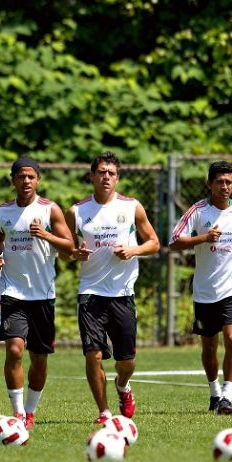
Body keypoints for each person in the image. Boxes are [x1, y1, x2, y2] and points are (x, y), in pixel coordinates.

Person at [64, 151, 160, 424]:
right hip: (90, 292)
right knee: (93, 354)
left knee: (127, 360)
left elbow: (154, 243)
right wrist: (75, 253)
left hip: (122, 293)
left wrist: (132, 250)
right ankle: (104, 411)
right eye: (101, 172)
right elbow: (64, 251)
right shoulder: (77, 211)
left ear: (117, 178)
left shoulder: (131, 207)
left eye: (111, 173)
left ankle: (122, 385)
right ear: (92, 176)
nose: (106, 177)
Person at [0, 156, 74, 430]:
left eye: (31, 177)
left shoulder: (51, 210)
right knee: (14, 350)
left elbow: (70, 246)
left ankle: (30, 410)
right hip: (12, 292)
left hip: (43, 294)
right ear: (13, 179)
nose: (26, 181)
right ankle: (16, 414)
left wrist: (45, 235)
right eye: (21, 176)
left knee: (39, 358)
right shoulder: (2, 212)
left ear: (37, 180)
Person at [168, 161, 232, 415]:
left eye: (228, 182)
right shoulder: (198, 211)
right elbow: (174, 242)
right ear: (210, 184)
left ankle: (227, 396)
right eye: (219, 182)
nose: (224, 186)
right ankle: (214, 392)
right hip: (205, 290)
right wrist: (203, 238)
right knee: (209, 345)